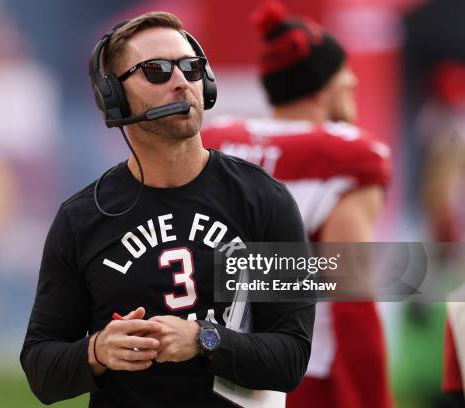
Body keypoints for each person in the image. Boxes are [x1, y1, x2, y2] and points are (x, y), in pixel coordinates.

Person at [20, 11, 314, 407]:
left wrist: (202, 340)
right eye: (156, 71)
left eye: (192, 68)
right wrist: (96, 352)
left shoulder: (264, 200)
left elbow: (291, 359)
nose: (181, 82)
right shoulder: (81, 218)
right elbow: (41, 370)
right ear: (115, 96)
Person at [202, 2, 392, 408]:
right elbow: (352, 301)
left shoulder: (217, 144)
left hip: (214, 362)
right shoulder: (350, 156)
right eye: (345, 71)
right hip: (304, 374)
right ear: (325, 85)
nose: (354, 79)